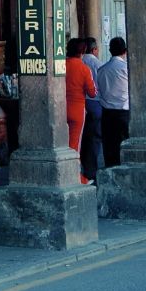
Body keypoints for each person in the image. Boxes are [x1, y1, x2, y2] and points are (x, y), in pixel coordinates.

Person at [65, 37, 98, 184]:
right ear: (83, 52)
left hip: (61, 108)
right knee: (74, 146)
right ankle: (76, 177)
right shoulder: (85, 69)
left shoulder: (61, 65)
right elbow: (92, 92)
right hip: (77, 109)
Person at [97, 37, 130, 168]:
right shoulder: (126, 69)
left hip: (107, 113)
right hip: (124, 112)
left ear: (110, 50)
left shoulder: (102, 70)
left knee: (109, 146)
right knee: (125, 145)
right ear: (125, 51)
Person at [80, 36, 103, 182]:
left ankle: (82, 170)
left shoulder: (78, 61)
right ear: (94, 50)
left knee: (81, 138)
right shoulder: (98, 64)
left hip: (80, 103)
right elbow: (97, 89)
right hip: (94, 103)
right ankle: (91, 171)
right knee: (94, 139)